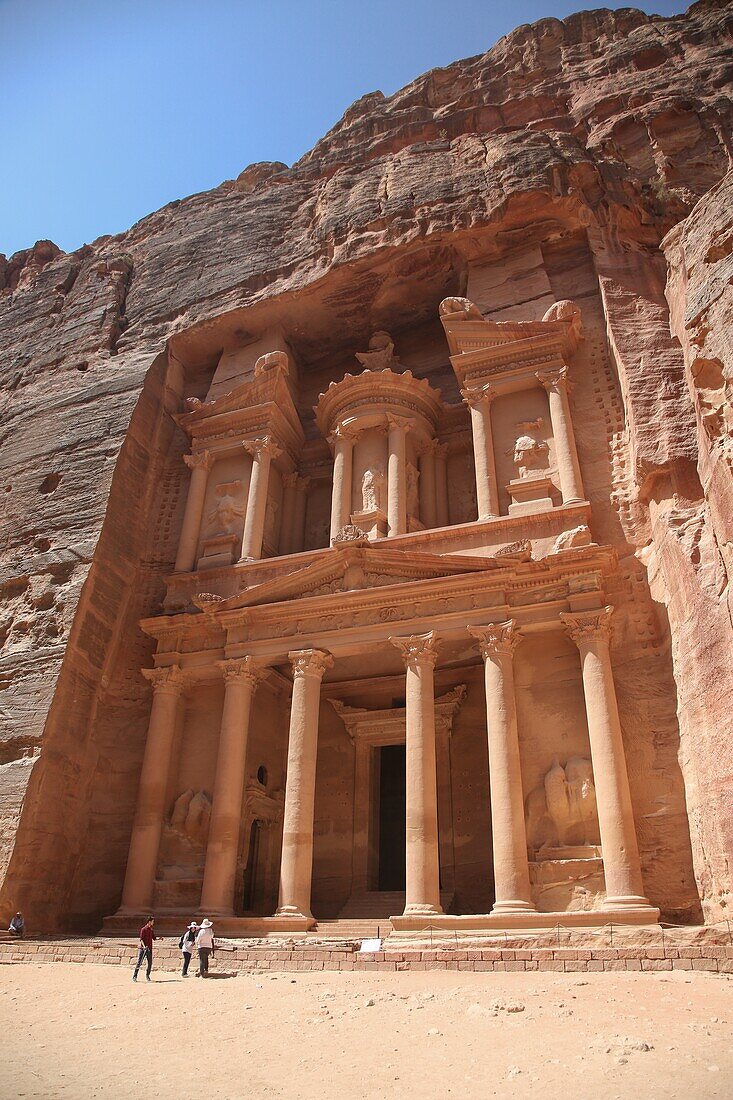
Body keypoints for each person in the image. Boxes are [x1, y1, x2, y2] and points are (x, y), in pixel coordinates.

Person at [132, 917, 156, 982]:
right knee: (139, 963)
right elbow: (141, 939)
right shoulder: (143, 929)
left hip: (149, 949)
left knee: (150, 963)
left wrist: (160, 938)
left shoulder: (151, 930)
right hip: (143, 949)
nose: (153, 923)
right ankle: (135, 976)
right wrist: (144, 946)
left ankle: (147, 975)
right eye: (152, 921)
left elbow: (154, 938)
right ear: (149, 922)